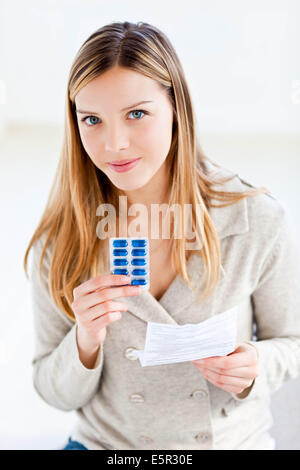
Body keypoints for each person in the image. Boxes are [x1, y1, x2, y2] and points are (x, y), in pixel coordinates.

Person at [24, 21, 300, 451]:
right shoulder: (62, 240)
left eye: (137, 114)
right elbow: (53, 391)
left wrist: (255, 365)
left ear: (177, 110)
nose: (114, 143)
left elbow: (293, 341)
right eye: (92, 119)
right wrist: (85, 340)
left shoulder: (255, 220)